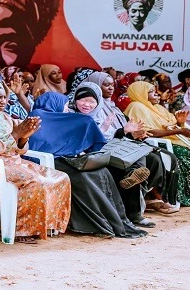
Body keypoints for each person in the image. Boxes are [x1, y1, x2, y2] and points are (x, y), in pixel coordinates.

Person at [0, 80, 70, 243]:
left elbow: (20, 149)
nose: (3, 101)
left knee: (60, 177)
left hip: (13, 162)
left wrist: (24, 137)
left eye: (4, 97)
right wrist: (14, 135)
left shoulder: (4, 118)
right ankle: (21, 231)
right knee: (33, 181)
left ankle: (46, 225)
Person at [28, 92, 146, 238]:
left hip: (66, 161)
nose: (66, 110)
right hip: (47, 164)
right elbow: (34, 147)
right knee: (84, 178)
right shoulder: (37, 117)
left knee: (101, 172)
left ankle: (117, 221)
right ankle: (96, 224)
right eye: (65, 106)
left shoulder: (61, 120)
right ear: (55, 103)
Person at [82, 72, 179, 214]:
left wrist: (134, 134)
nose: (110, 88)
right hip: (104, 146)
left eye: (112, 85)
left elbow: (123, 129)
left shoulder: (112, 106)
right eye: (106, 85)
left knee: (158, 156)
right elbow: (99, 134)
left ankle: (148, 197)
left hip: (121, 141)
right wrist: (125, 132)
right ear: (96, 86)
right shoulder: (90, 106)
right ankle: (151, 200)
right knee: (147, 158)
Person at [124, 81, 190, 206]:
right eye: (151, 92)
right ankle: (189, 195)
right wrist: (179, 130)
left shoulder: (158, 108)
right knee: (187, 154)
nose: (157, 95)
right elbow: (147, 131)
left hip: (175, 138)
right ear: (140, 93)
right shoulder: (136, 106)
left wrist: (180, 124)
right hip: (158, 143)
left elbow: (172, 125)